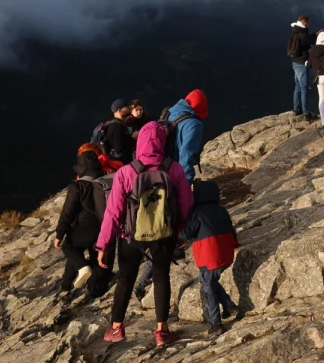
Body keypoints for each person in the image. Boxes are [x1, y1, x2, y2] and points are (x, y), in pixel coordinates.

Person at [96, 121, 194, 348]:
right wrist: (180, 233)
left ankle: (117, 328)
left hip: (131, 236)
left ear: (139, 143)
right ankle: (162, 331)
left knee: (125, 278)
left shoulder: (125, 172)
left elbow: (113, 213)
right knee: (161, 278)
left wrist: (103, 246)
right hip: (164, 234)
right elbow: (185, 206)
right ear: (163, 142)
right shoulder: (174, 169)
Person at [178, 180, 240, 337]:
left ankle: (215, 323)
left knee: (208, 286)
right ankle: (229, 307)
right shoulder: (222, 210)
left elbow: (185, 234)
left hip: (209, 254)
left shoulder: (197, 212)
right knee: (208, 279)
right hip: (226, 253)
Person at [54, 150, 113, 300]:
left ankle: (80, 270)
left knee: (69, 247)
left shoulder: (78, 186)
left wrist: (60, 233)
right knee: (98, 257)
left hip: (83, 226)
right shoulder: (106, 181)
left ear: (82, 168)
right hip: (104, 226)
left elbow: (68, 212)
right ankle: (94, 290)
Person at [163, 89, 207, 186]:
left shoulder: (168, 114)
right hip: (175, 170)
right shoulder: (194, 124)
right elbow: (187, 152)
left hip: (161, 167)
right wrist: (185, 181)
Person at [95, 99, 136, 165]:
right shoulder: (117, 126)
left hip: (115, 162)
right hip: (120, 164)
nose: (128, 108)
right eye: (126, 106)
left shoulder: (112, 123)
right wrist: (133, 138)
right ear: (120, 111)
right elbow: (119, 149)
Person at [288, 15, 314, 120]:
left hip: (295, 62)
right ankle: (306, 113)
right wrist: (319, 35)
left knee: (297, 87)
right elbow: (309, 41)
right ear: (305, 22)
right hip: (302, 64)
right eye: (307, 23)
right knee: (304, 89)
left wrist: (315, 34)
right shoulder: (302, 33)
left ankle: (296, 109)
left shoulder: (295, 31)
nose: (308, 25)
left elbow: (307, 40)